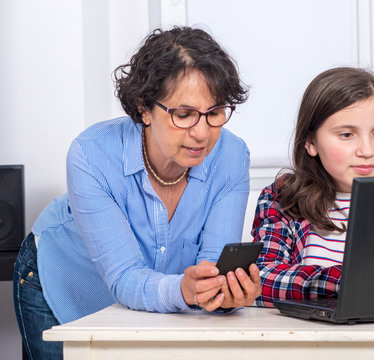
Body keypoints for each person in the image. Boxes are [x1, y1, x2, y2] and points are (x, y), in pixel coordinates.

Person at [13, 26, 261, 359]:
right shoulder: (91, 154)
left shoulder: (231, 157)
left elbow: (213, 268)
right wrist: (186, 290)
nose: (202, 133)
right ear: (144, 108)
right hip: (65, 277)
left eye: (215, 113)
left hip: (159, 295)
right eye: (184, 114)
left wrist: (221, 295)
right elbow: (126, 276)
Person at [251, 67, 374, 307]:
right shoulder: (283, 198)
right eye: (346, 135)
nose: (367, 151)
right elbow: (259, 280)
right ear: (310, 142)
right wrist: (349, 280)